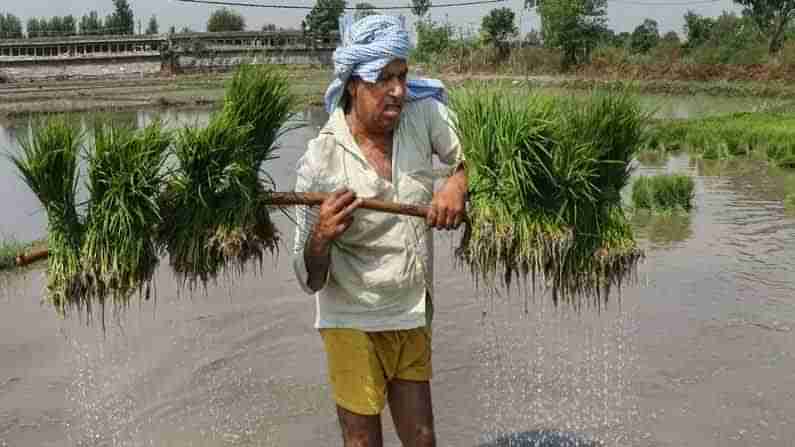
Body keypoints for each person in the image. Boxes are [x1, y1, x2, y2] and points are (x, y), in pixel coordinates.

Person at [291, 14, 467, 447]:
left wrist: (456, 183)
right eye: (383, 79)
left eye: (402, 76)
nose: (398, 91)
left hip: (410, 306)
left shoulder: (422, 117)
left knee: (422, 439)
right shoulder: (322, 158)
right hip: (350, 314)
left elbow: (481, 153)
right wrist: (322, 236)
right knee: (363, 441)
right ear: (353, 84)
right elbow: (308, 277)